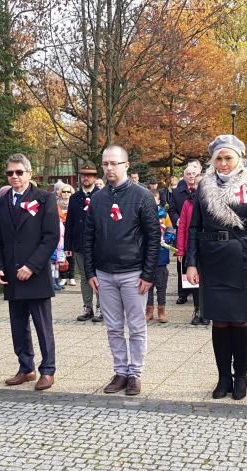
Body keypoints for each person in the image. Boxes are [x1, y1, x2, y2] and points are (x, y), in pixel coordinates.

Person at [185, 135, 247, 400]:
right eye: (219, 159)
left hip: (243, 258)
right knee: (220, 320)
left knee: (241, 320)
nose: (223, 164)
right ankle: (224, 377)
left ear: (239, 158)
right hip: (212, 260)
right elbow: (194, 227)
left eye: (228, 158)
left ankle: (241, 376)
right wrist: (191, 263)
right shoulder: (205, 185)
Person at [84, 145, 159, 396]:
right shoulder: (97, 198)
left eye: (114, 163)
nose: (109, 168)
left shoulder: (142, 196)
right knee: (114, 327)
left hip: (133, 273)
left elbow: (153, 237)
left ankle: (135, 373)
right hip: (105, 273)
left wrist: (148, 274)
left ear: (126, 165)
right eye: (105, 164)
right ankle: (120, 372)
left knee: (136, 327)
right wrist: (90, 272)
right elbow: (89, 236)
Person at [0, 154, 58, 391]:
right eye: (10, 173)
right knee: (18, 326)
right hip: (11, 274)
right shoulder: (1, 202)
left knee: (42, 326)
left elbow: (51, 237)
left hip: (35, 274)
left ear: (29, 173)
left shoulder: (45, 198)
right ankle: (26, 367)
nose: (14, 177)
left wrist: (31, 266)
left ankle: (47, 370)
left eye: (19, 172)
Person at [65, 162, 102, 321]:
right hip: (80, 243)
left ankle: (101, 307)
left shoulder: (102, 195)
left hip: (98, 244)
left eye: (89, 175)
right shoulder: (75, 198)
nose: (86, 178)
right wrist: (67, 245)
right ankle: (88, 308)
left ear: (95, 177)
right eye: (83, 175)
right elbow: (69, 223)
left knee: (99, 276)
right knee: (85, 276)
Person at [170, 163, 203, 313]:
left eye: (193, 174)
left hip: (205, 243)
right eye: (188, 174)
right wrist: (177, 220)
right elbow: (173, 211)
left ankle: (203, 306)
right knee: (185, 269)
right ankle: (187, 297)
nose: (191, 177)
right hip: (188, 240)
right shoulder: (180, 195)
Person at [146, 189, 174, 323]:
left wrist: (166, 239)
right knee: (147, 285)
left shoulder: (164, 215)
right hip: (146, 255)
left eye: (155, 200)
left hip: (161, 254)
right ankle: (149, 310)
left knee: (161, 284)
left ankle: (161, 310)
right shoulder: (143, 213)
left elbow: (171, 231)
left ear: (158, 200)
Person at [57, 184, 75, 287]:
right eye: (64, 191)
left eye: (68, 191)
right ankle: (63, 277)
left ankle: (71, 277)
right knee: (61, 254)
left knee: (71, 254)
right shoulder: (56, 204)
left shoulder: (74, 203)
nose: (66, 193)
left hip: (70, 231)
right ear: (61, 193)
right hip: (59, 231)